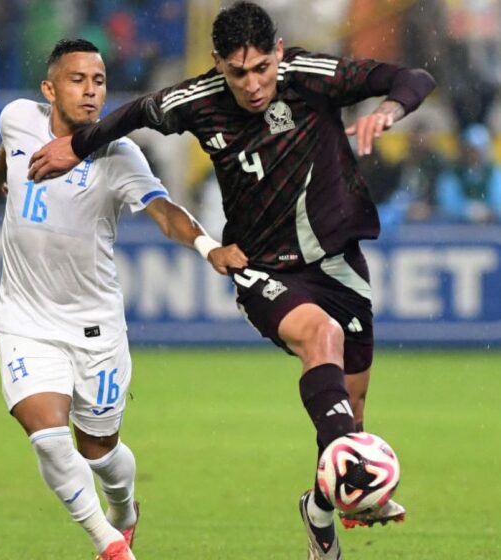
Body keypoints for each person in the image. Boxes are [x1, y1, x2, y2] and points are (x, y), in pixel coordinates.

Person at [27, 3, 435, 559]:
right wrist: (76, 146)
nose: (253, 84)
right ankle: (354, 476)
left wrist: (388, 110)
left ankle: (322, 508)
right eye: (238, 72)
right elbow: (135, 115)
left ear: (279, 52)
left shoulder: (311, 77)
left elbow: (413, 77)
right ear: (218, 63)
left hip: (339, 266)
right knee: (323, 340)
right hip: (259, 266)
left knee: (349, 419)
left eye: (262, 68)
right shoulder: (197, 101)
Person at [0, 38, 247, 560]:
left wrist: (208, 246)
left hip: (95, 327)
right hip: (25, 319)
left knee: (98, 452)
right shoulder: (17, 117)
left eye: (99, 81)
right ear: (49, 89)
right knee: (48, 436)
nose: (91, 91)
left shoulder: (118, 154)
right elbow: (8, 152)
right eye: (78, 80)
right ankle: (111, 546)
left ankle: (124, 512)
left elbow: (165, 210)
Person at [436, 123, 501, 224]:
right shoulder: (452, 174)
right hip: (457, 228)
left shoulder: (495, 173)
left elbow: (498, 201)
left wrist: (486, 211)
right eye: (469, 150)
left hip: (490, 228)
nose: (472, 155)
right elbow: (447, 202)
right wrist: (466, 211)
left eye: (475, 151)